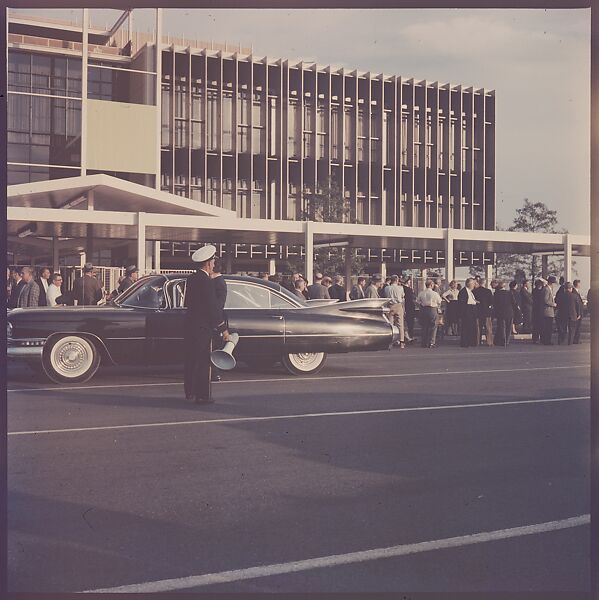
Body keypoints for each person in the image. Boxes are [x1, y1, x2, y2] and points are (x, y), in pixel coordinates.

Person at [184, 245, 229, 404]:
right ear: (208, 264)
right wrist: (223, 328)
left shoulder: (191, 279)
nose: (213, 264)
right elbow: (213, 308)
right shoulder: (207, 282)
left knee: (191, 360)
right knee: (203, 361)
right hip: (203, 328)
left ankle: (190, 392)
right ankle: (202, 395)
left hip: (190, 325)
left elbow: (187, 302)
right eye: (212, 261)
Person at [211, 259, 228, 382]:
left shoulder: (217, 283)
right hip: (216, 318)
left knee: (213, 347)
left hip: (216, 319)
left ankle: (214, 373)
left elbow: (216, 306)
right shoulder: (217, 281)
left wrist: (221, 325)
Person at [416, 279, 442, 348]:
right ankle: (431, 342)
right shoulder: (435, 293)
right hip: (432, 309)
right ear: (431, 285)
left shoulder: (421, 293)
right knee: (433, 326)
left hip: (423, 309)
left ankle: (424, 342)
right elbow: (439, 301)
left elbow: (417, 301)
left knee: (424, 327)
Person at [493, 281, 519, 346]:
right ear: (504, 287)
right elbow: (514, 303)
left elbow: (495, 304)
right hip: (510, 312)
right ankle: (507, 340)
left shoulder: (496, 294)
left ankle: (502, 341)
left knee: (502, 327)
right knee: (508, 327)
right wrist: (517, 311)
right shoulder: (509, 293)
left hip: (501, 313)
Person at [384, 275, 405, 348]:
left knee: (390, 324)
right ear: (397, 280)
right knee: (400, 324)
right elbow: (402, 297)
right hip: (398, 305)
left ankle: (390, 341)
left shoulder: (387, 288)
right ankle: (401, 341)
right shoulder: (400, 288)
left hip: (390, 305)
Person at [457, 278, 479, 347]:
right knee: (466, 327)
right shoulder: (463, 291)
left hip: (472, 310)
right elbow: (462, 303)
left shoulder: (470, 291)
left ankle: (471, 342)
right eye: (473, 284)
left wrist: (476, 302)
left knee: (471, 327)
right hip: (467, 311)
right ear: (469, 284)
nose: (474, 285)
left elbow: (471, 300)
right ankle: (465, 342)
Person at [473, 279, 494, 346]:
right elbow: (491, 302)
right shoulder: (488, 291)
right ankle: (489, 342)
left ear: (479, 283)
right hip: (486, 312)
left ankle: (477, 342)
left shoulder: (474, 291)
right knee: (488, 328)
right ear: (484, 283)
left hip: (478, 312)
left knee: (478, 328)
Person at [541, 278, 557, 345]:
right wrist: (553, 304)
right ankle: (547, 341)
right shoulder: (547, 289)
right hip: (547, 311)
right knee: (548, 327)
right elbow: (546, 300)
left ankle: (547, 340)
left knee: (548, 327)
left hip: (549, 311)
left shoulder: (548, 289)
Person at [402, 277, 416, 342]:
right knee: (410, 323)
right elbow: (411, 299)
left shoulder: (401, 288)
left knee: (403, 323)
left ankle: (405, 336)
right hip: (409, 308)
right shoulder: (409, 290)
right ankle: (411, 336)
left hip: (404, 307)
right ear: (407, 282)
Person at [572, 280, 584, 344]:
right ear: (577, 284)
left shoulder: (577, 292)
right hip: (577, 312)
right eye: (579, 284)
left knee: (578, 327)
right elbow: (577, 303)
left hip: (579, 312)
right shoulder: (574, 292)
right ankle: (576, 340)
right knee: (577, 327)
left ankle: (576, 339)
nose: (580, 285)